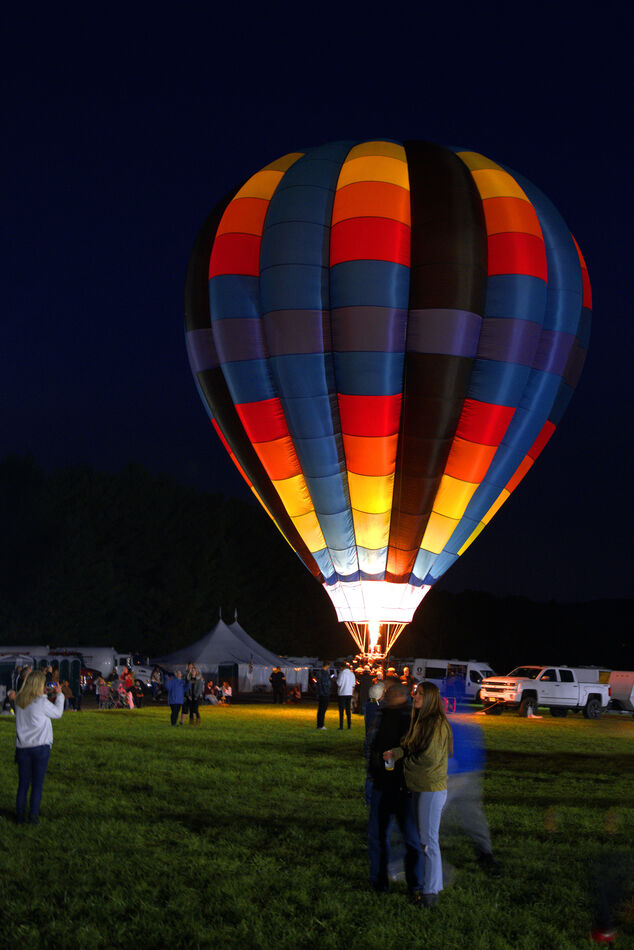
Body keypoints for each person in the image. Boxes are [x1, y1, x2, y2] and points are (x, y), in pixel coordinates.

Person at [384, 681, 453, 907]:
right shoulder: (420, 720)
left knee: (428, 842)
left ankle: (431, 893)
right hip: (419, 787)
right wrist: (395, 752)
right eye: (416, 693)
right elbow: (410, 746)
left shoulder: (437, 723)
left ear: (431, 698)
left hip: (431, 789)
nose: (416, 697)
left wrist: (405, 765)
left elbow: (430, 758)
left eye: (421, 694)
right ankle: (429, 887)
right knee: (424, 840)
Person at [365, 682, 423, 895]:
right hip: (381, 784)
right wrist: (372, 769)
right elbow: (372, 744)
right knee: (378, 836)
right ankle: (380, 882)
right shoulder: (382, 714)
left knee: (411, 838)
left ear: (401, 695)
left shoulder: (411, 718)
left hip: (404, 788)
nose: (386, 697)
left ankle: (415, 884)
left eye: (390, 694)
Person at [443, 716, 500, 873]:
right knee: (431, 817)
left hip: (463, 772)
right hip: (453, 773)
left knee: (473, 815)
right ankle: (420, 852)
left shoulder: (457, 716)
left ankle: (485, 852)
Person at [12, 670, 64, 824]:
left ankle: (19, 816)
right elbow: (58, 713)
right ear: (39, 685)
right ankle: (33, 816)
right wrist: (60, 695)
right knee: (37, 784)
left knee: (23, 784)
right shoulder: (41, 702)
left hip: (23, 747)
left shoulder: (20, 700)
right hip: (40, 747)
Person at [337, 663, 356, 730]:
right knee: (348, 710)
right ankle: (349, 726)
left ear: (342, 667)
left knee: (341, 710)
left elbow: (339, 683)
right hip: (349, 693)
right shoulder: (352, 674)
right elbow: (353, 684)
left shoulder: (342, 674)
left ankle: (341, 726)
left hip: (342, 693)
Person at [314, 661, 332, 730]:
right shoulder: (324, 673)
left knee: (320, 710)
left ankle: (319, 724)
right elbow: (326, 683)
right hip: (324, 693)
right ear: (327, 666)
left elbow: (318, 684)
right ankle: (321, 725)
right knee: (322, 710)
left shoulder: (319, 673)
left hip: (321, 693)